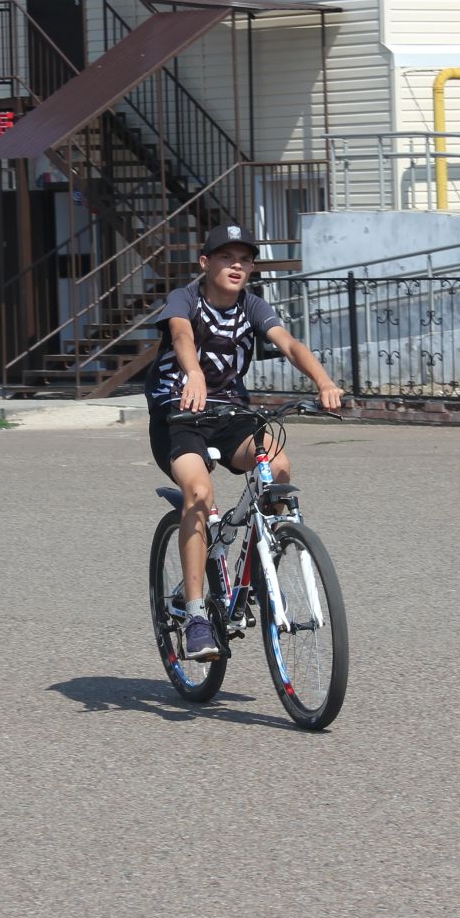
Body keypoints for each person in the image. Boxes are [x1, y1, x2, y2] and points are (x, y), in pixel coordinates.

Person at [146, 223, 344, 660]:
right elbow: (181, 335)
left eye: (245, 260)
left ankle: (260, 568)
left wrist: (324, 381)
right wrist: (193, 372)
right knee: (199, 492)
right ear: (205, 263)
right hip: (178, 413)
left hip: (229, 412)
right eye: (225, 257)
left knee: (278, 465)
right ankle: (197, 616)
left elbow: (289, 345)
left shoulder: (253, 306)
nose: (237, 266)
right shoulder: (185, 300)